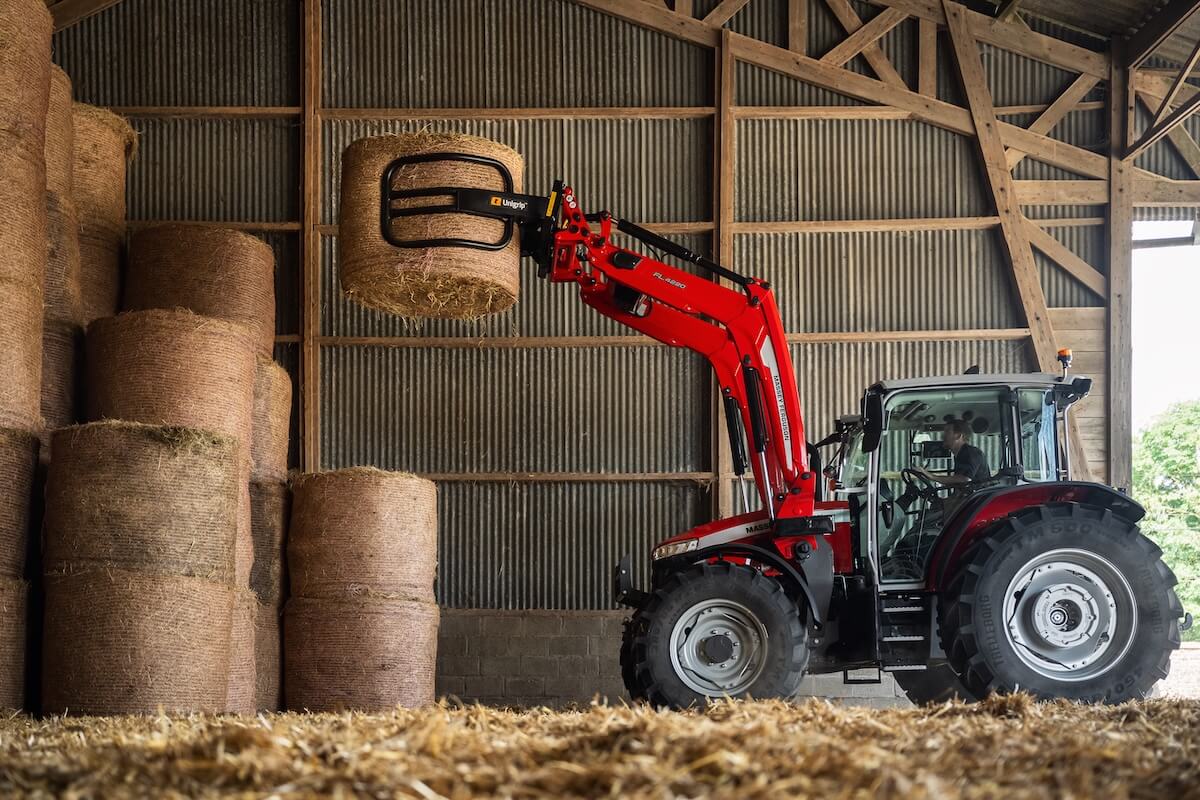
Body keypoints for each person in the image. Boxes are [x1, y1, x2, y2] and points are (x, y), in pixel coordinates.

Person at [914, 419, 990, 487]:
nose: (943, 436)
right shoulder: (960, 454)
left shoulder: (970, 453)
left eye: (947, 432)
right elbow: (961, 487)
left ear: (958, 436)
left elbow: (964, 479)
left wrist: (931, 476)